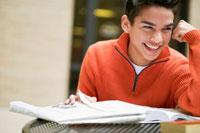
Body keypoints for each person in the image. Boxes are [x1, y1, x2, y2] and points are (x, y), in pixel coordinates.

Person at [65, 0, 200, 116]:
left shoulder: (179, 67)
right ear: (126, 24)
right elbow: (82, 119)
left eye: (166, 29)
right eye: (148, 27)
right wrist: (77, 105)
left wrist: (197, 40)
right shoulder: (96, 54)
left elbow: (197, 108)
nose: (158, 39)